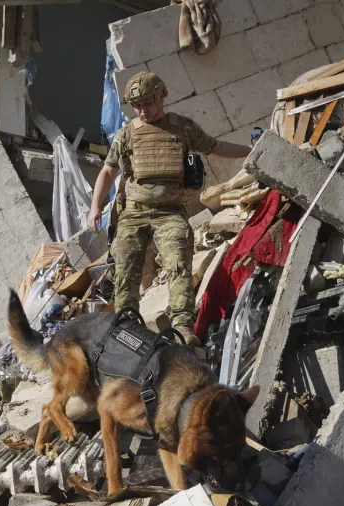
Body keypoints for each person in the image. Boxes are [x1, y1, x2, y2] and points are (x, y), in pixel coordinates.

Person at [88, 72, 251, 345]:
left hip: (169, 213)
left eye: (148, 103)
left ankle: (183, 328)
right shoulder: (127, 133)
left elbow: (215, 146)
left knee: (178, 263)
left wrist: (250, 150)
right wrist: (95, 208)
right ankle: (127, 329)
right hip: (133, 213)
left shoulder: (182, 128)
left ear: (161, 96)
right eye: (137, 105)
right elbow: (107, 171)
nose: (143, 110)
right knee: (126, 267)